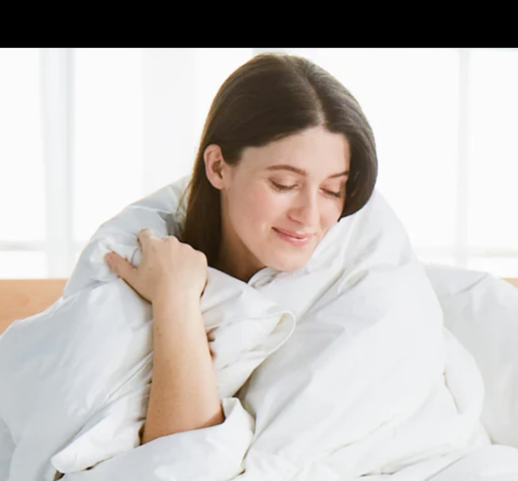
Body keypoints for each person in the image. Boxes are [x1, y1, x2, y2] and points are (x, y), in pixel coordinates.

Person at [103, 52, 379, 446]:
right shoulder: (143, 254)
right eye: (284, 184)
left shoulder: (354, 276)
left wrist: (177, 299)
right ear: (218, 167)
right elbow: (176, 463)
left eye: (332, 190)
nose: (310, 216)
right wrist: (177, 297)